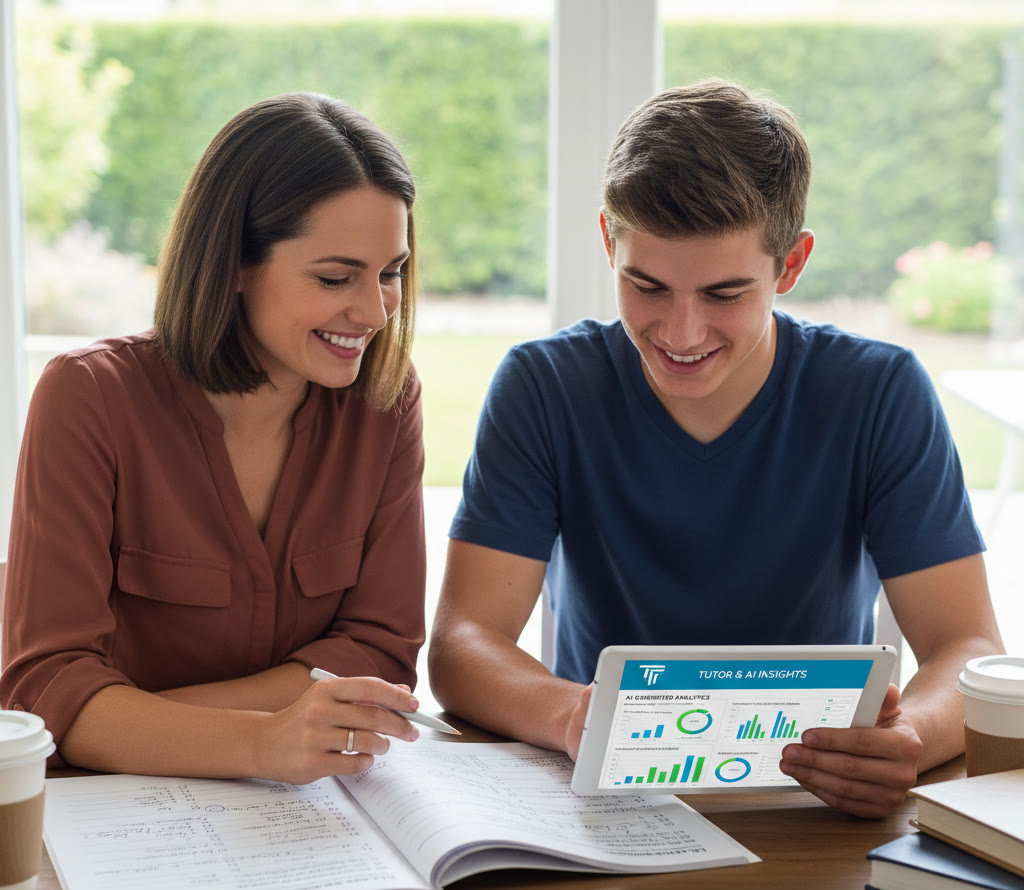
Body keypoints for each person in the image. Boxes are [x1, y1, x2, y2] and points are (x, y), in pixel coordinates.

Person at [429, 78, 1005, 819]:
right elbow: (462, 641)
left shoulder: (878, 393)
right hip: (603, 801)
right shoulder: (544, 387)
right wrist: (569, 716)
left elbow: (968, 646)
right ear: (609, 241)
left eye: (724, 295)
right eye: (646, 286)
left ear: (790, 267)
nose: (680, 332)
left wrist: (912, 739)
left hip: (811, 808)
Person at [1, 93, 426, 784]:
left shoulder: (386, 403)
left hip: (309, 813)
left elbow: (380, 653)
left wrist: (131, 721)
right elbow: (46, 689)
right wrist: (260, 743)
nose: (374, 309)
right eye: (334, 277)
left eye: (392, 273)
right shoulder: (88, 399)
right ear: (233, 262)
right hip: (118, 816)